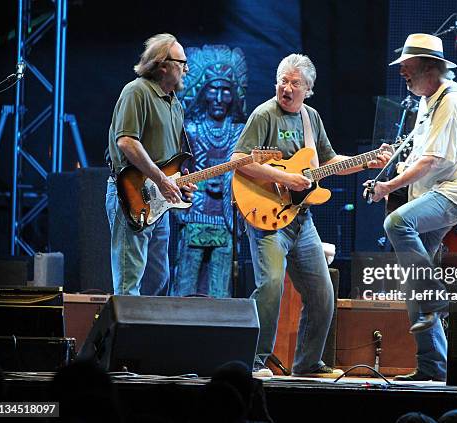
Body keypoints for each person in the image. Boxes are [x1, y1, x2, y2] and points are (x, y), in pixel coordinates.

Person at [231, 53, 390, 377]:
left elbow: (330, 161)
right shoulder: (265, 115)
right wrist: (286, 178)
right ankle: (257, 361)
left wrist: (365, 162)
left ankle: (308, 364)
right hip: (268, 220)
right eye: (282, 81)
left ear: (308, 89)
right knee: (271, 285)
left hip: (301, 220)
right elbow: (239, 159)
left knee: (322, 293)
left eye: (294, 83)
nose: (286, 88)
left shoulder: (310, 118)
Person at [365, 33, 457, 382]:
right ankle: (434, 368)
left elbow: (432, 161)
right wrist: (396, 169)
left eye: (408, 66)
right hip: (436, 189)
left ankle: (436, 297)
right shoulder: (426, 99)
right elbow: (419, 155)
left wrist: (388, 186)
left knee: (396, 224)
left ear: (429, 68)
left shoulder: (449, 100)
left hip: (455, 192)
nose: (401, 70)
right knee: (413, 284)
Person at [106, 33, 196, 296]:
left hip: (158, 201)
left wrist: (180, 180)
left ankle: (149, 335)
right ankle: (125, 337)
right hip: (130, 195)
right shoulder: (137, 91)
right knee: (128, 282)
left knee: (158, 280)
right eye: (182, 62)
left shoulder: (175, 104)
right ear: (163, 64)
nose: (186, 69)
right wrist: (161, 179)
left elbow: (171, 159)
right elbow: (126, 142)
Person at [171, 45, 247, 298]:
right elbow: (177, 171)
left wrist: (225, 185)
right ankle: (176, 329)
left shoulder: (239, 132)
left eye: (226, 91)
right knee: (185, 282)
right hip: (195, 214)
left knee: (220, 288)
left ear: (234, 95)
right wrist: (201, 187)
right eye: (213, 89)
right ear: (202, 92)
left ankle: (220, 331)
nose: (218, 98)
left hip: (225, 218)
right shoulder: (190, 130)